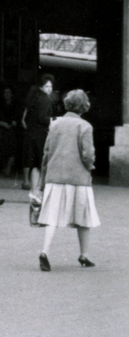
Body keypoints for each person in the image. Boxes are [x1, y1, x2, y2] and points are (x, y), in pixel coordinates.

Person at [37, 89, 99, 272]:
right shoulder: (85, 126)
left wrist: (42, 180)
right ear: (83, 106)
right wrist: (90, 167)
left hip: (55, 177)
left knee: (52, 218)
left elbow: (46, 153)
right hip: (78, 178)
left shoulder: (55, 124)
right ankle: (84, 255)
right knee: (84, 217)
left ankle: (44, 252)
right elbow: (88, 155)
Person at [23, 73, 55, 199]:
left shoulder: (35, 98)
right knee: (40, 164)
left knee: (35, 165)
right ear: (41, 87)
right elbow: (42, 118)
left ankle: (34, 190)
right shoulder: (45, 100)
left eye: (51, 86)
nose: (49, 89)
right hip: (40, 136)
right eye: (47, 86)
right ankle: (37, 191)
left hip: (32, 134)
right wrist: (54, 119)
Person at [0, 85, 20, 178]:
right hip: (2, 129)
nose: (7, 94)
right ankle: (5, 167)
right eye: (5, 92)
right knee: (1, 150)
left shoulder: (16, 103)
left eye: (9, 92)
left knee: (12, 149)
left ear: (12, 94)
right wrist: (0, 123)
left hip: (12, 130)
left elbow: (19, 116)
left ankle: (8, 168)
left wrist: (15, 122)